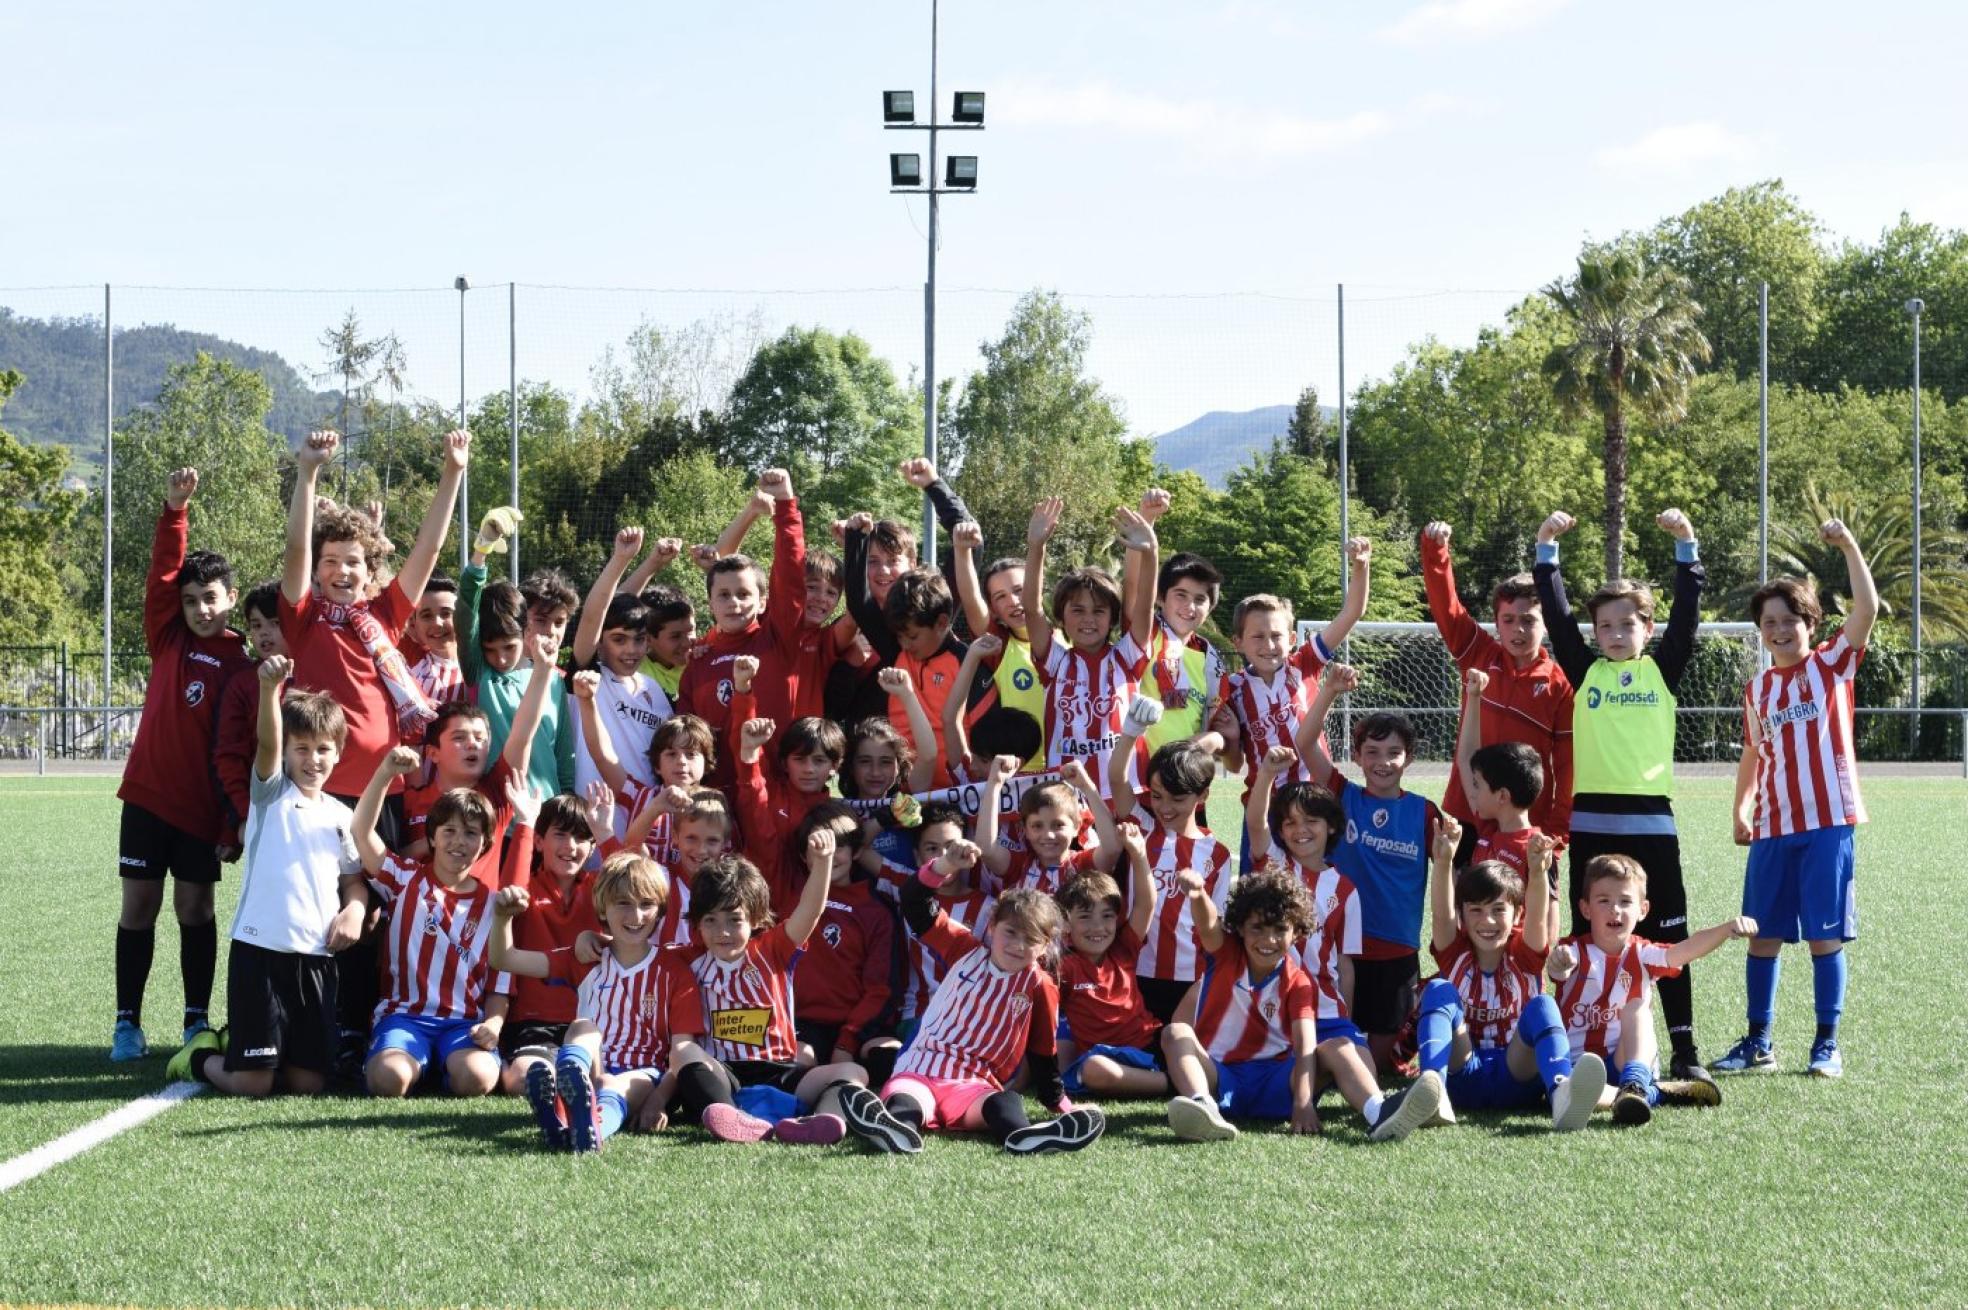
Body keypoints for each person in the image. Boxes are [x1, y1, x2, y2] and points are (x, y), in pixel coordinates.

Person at [1534, 506, 1713, 1082]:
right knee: (1590, 936)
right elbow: (1558, 619)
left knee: (1665, 935)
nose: (1614, 634)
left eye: (1626, 625)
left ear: (1646, 630)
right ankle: (1581, 1045)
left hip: (1652, 822)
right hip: (1593, 820)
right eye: (1605, 627)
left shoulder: (1663, 671)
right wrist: (1547, 552)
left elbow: (1687, 616)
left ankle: (1684, 1051)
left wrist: (1686, 547)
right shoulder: (1585, 673)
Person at [1713, 519, 1878, 1080]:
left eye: (1789, 621)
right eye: (1769, 623)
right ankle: (1759, 1043)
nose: (1779, 630)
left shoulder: (1831, 664)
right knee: (1761, 936)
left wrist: (1849, 546)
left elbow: (1868, 611)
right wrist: (1741, 809)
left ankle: (1826, 1044)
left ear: (1810, 625)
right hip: (1773, 827)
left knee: (1825, 936)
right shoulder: (1758, 691)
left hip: (1830, 821)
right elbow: (1754, 756)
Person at [165, 656, 367, 1095]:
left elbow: (354, 879)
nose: (312, 759)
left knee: (307, 1083)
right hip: (260, 953)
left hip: (316, 957)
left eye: (323, 749)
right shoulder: (270, 795)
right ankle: (200, 1057)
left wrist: (354, 909)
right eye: (302, 748)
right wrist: (268, 690)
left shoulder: (341, 816)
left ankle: (237, 1038)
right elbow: (267, 745)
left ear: (339, 751)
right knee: (254, 1083)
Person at [835, 839, 1106, 1156]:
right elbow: (914, 900)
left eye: (1031, 939)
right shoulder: (964, 950)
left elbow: (1042, 1051)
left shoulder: (1040, 985)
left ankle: (1026, 1138)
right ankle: (895, 1130)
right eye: (1011, 933)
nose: (1018, 946)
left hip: (974, 1085)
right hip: (920, 1068)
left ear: (1046, 945)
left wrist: (1062, 1105)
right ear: (992, 927)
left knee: (1005, 1103)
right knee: (907, 1102)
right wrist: (945, 864)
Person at [113, 467, 252, 1060]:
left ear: (230, 600)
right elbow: (161, 576)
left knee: (195, 908)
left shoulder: (244, 662)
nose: (199, 608)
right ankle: (127, 1024)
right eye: (191, 600)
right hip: (146, 801)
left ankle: (197, 1018)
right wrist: (175, 510)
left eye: (209, 599)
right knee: (138, 908)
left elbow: (241, 751)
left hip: (202, 812)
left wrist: (230, 822)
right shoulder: (167, 637)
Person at [1160, 869, 1443, 1142]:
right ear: (1240, 928)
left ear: (1297, 933)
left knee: (1338, 1045)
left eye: (1279, 929)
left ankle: (1379, 1111)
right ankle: (1204, 1107)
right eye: (1257, 928)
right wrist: (1197, 894)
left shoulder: (1300, 981)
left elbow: (1305, 1045)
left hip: (1278, 1083)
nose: (1268, 940)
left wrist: (1303, 1102)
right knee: (1175, 1033)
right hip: (1220, 1076)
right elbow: (1209, 925)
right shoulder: (1225, 953)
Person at [280, 429, 468, 838]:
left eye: (353, 562)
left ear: (369, 571)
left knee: (379, 901)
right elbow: (296, 547)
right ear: (316, 569)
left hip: (384, 787)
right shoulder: (304, 616)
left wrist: (453, 472)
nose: (342, 571)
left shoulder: (386, 613)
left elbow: (429, 548)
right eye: (330, 561)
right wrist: (308, 473)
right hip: (319, 787)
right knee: (325, 901)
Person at [489, 826, 693, 1153]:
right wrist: (501, 919)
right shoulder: (586, 957)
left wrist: (660, 1099)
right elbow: (504, 958)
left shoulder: (675, 969)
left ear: (661, 911)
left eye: (645, 904)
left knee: (616, 1084)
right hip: (592, 1064)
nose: (635, 915)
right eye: (623, 904)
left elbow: (683, 1049)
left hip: (643, 1073)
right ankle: (570, 1083)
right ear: (603, 909)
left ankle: (581, 1123)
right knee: (583, 1027)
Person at [662, 840, 867, 1145]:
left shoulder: (773, 950)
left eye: (735, 920)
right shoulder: (686, 959)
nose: (723, 932)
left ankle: (820, 1120)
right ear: (697, 925)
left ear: (756, 919)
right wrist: (591, 939)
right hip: (723, 1075)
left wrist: (823, 861)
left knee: (854, 1073)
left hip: (780, 1072)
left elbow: (810, 911)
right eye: (711, 921)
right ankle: (729, 1116)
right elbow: (633, 951)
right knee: (684, 1053)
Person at [1297, 663, 1442, 1074]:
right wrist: (1328, 692)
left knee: (1376, 1062)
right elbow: (1305, 744)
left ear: (1409, 757)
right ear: (1357, 756)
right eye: (1372, 752)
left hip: (1396, 946)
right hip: (1343, 946)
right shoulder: (1344, 796)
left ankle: (1394, 1050)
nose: (1383, 762)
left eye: (1393, 752)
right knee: (1341, 1041)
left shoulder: (1424, 813)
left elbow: (1450, 873)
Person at [1416, 822, 1606, 1130]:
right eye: (1475, 910)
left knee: (1542, 1005)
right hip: (1463, 1074)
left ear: (1517, 915)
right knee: (1438, 988)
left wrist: (1539, 871)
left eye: (1498, 910)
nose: (1487, 920)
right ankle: (1432, 1092)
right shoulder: (1455, 953)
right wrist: (1443, 862)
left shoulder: (1525, 956)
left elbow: (1539, 913)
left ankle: (1562, 1094)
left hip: (1517, 1075)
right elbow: (1440, 914)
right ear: (1462, 916)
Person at [350, 747, 511, 1098]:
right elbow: (361, 832)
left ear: (484, 844)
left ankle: (444, 1068)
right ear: (433, 836)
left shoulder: (494, 905)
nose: (458, 841)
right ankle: (410, 1062)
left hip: (463, 1023)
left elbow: (500, 981)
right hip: (404, 1017)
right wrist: (384, 773)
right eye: (449, 830)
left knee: (478, 1079)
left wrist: (494, 1024)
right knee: (388, 1080)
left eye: (470, 833)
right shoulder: (405, 878)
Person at [1552, 854, 1753, 1124]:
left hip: (1625, 1060)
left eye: (1625, 901)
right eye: (1604, 901)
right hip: (1578, 1066)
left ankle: (1635, 1084)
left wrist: (1727, 929)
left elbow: (1686, 950)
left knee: (1637, 1005)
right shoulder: (1575, 951)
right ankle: (1654, 1095)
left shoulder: (1642, 953)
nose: (1616, 910)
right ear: (1585, 908)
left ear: (1643, 910)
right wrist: (1559, 964)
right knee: (1571, 1090)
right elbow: (1557, 969)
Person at [1420, 520, 1574, 859]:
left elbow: (1566, 766)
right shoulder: (1479, 653)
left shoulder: (1560, 685)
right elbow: (1447, 608)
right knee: (1468, 905)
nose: (1518, 629)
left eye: (1529, 620)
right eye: (1508, 620)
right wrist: (1436, 550)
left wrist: (1557, 831)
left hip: (1523, 824)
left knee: (1526, 911)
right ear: (1497, 622)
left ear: (1545, 622)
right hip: (1468, 812)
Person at [1218, 541, 1371, 856]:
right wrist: (1231, 739)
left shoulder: (1304, 665)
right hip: (1266, 811)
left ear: (1290, 639)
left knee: (1323, 890)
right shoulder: (1230, 689)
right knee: (1263, 897)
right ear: (1239, 642)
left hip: (1317, 803)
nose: (1268, 645)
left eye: (1276, 636)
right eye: (1257, 637)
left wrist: (1361, 565)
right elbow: (1234, 765)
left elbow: (1351, 612)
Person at [677, 468, 809, 793]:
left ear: (763, 602)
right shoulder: (698, 661)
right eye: (724, 595)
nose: (734, 602)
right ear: (709, 604)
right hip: (716, 806)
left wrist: (785, 504)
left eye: (744, 594)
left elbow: (791, 575)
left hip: (776, 794)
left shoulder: (777, 641)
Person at [1106, 705, 1236, 1023]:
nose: (1165, 807)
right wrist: (1131, 731)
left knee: (1178, 1047)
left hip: (1190, 974)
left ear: (1202, 796)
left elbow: (1214, 924)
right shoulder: (1143, 828)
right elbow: (1116, 779)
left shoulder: (1217, 854)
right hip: (1136, 967)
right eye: (1158, 796)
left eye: (1178, 799)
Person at [1022, 496, 1158, 799]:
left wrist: (1151, 554)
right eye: (1077, 610)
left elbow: (1146, 604)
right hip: (1069, 802)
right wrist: (1036, 547)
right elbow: (1031, 609)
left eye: (1098, 611)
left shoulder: (1126, 656)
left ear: (1111, 617)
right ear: (1062, 616)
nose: (1088, 619)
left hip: (1128, 795)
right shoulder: (1055, 661)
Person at [400, 629, 558, 876]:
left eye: (480, 738)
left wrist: (543, 670)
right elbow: (386, 860)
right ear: (432, 753)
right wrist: (426, 845)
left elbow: (522, 734)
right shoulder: (409, 801)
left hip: (481, 914)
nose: (473, 744)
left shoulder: (498, 793)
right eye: (459, 738)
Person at [494, 785, 610, 1101]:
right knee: (521, 1081)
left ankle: (573, 1078)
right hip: (535, 1022)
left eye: (582, 837)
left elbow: (633, 886)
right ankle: (565, 1080)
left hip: (591, 1023)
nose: (570, 846)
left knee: (605, 1082)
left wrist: (606, 834)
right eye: (560, 835)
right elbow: (509, 896)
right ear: (540, 841)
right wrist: (525, 825)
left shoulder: (600, 888)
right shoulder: (527, 886)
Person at [457, 515, 579, 807]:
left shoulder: (551, 678)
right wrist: (481, 550)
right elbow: (464, 617)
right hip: (497, 809)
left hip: (545, 811)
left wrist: (566, 799)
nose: (499, 658)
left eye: (509, 647)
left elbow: (563, 751)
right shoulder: (480, 672)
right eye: (490, 649)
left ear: (525, 631)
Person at [570, 527, 675, 828]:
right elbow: (595, 614)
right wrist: (621, 560)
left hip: (648, 824)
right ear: (600, 642)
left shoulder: (655, 690)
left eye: (639, 639)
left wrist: (653, 564)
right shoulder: (590, 677)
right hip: (595, 827)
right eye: (619, 639)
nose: (631, 650)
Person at [1057, 823, 1169, 1097]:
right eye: (1085, 917)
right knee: (1095, 1069)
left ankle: (1167, 1077)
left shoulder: (1123, 948)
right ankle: (1169, 1084)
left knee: (1177, 1035)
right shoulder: (1064, 966)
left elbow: (1146, 903)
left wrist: (1139, 855)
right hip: (1102, 1058)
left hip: (1145, 1046)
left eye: (1107, 916)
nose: (1098, 927)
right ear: (1066, 924)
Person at [1128, 488, 1228, 754]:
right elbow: (1134, 587)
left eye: (1199, 599)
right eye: (1180, 595)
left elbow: (1219, 726)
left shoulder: (1211, 659)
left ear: (1211, 607)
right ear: (1160, 598)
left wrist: (1217, 740)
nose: (1189, 606)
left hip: (1186, 780)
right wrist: (1146, 520)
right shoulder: (1145, 634)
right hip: (1136, 777)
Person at [949, 519, 1046, 771]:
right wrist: (962, 551)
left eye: (1019, 590)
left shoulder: (1069, 638)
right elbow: (971, 600)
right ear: (994, 610)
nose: (1014, 601)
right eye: (1000, 597)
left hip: (1067, 767)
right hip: (1015, 774)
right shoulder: (1000, 646)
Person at [974, 756, 1118, 895]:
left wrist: (1087, 786)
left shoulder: (1084, 865)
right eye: (1037, 826)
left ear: (1076, 826)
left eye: (1058, 825)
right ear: (1025, 830)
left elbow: (1112, 848)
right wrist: (994, 783)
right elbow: (986, 848)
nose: (1048, 834)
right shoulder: (1020, 866)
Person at [1453, 669, 1546, 881]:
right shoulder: (1488, 828)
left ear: (1502, 796)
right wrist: (1474, 697)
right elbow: (1466, 757)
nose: (1472, 792)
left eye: (1477, 785)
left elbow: (1547, 915)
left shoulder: (1537, 851)